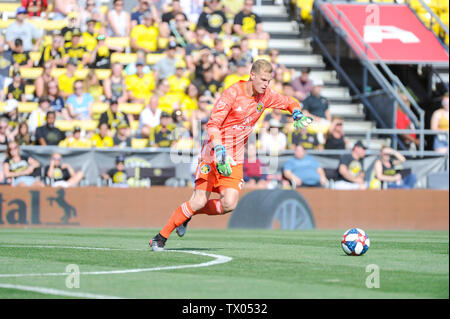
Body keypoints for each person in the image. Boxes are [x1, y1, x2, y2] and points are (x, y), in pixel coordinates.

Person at [149, 59, 313, 251]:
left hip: (235, 157)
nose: (266, 84)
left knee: (229, 204)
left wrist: (297, 113)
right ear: (252, 75)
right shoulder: (233, 93)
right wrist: (219, 149)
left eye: (268, 80)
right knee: (199, 200)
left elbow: (289, 102)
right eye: (263, 79)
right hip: (213, 153)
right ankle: (160, 237)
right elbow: (212, 125)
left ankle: (187, 215)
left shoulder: (266, 95)